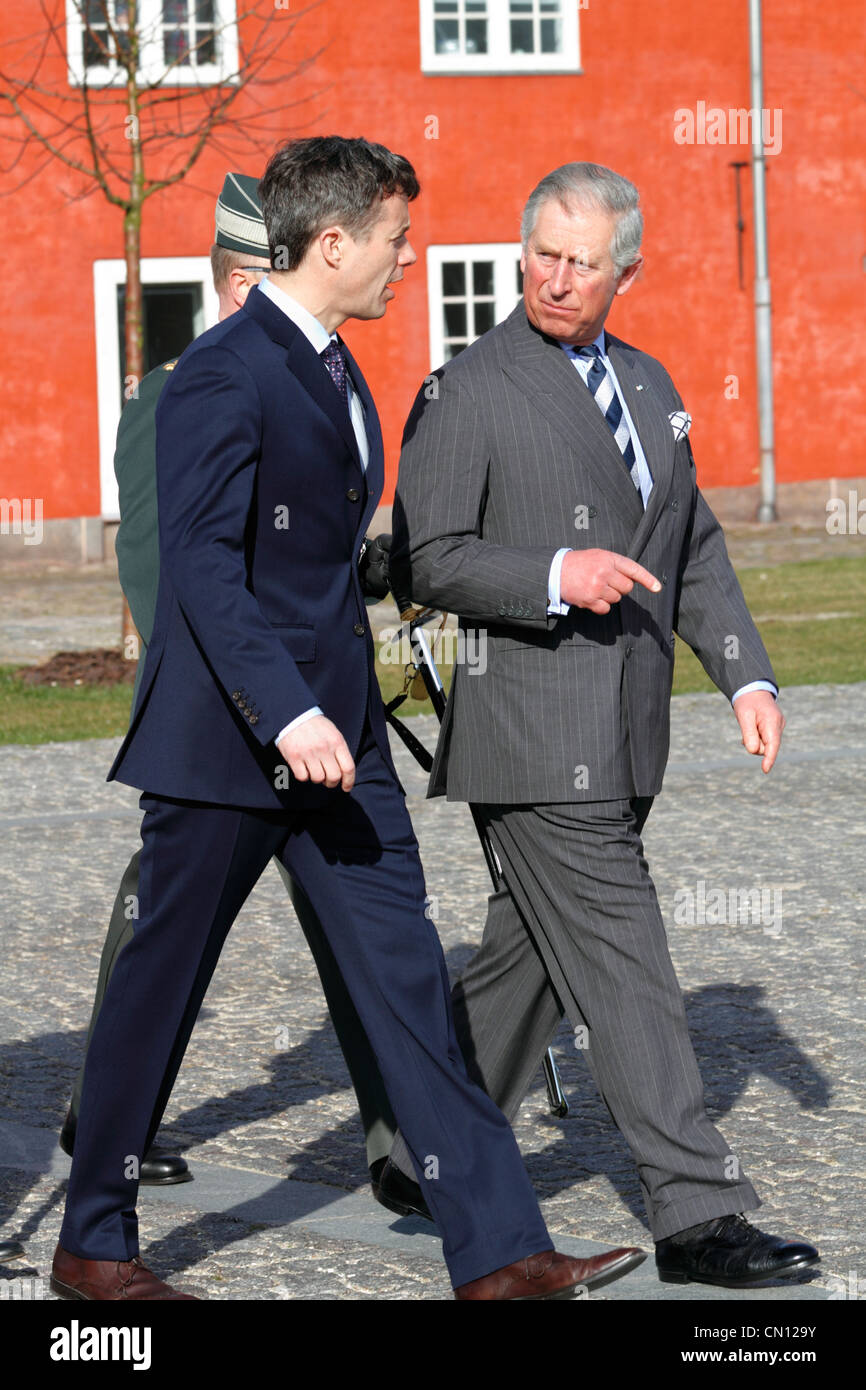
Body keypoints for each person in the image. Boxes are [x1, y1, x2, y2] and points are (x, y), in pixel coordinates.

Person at [50, 138, 644, 1302]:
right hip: (232, 744)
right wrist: (284, 713)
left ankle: (498, 1249)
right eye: (394, 238)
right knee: (158, 990)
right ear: (332, 244)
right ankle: (95, 1243)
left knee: (406, 980)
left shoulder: (334, 366)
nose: (407, 259)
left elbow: (313, 557)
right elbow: (206, 574)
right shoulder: (225, 371)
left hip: (341, 742)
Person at [387, 160, 819, 1289]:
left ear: (626, 268)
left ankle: (411, 1140)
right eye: (541, 251)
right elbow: (423, 558)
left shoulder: (648, 382)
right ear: (517, 247)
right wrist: (550, 570)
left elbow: (695, 548)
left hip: (625, 730)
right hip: (530, 734)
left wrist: (745, 678)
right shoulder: (466, 387)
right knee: (625, 961)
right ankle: (697, 1211)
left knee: (526, 957)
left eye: (582, 260)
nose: (556, 277)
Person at [59, 172, 398, 1192]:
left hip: (310, 710)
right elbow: (171, 569)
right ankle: (105, 1117)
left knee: (369, 931)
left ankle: (404, 1137)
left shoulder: (330, 381)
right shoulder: (181, 389)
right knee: (165, 928)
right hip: (221, 720)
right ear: (239, 278)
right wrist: (249, 696)